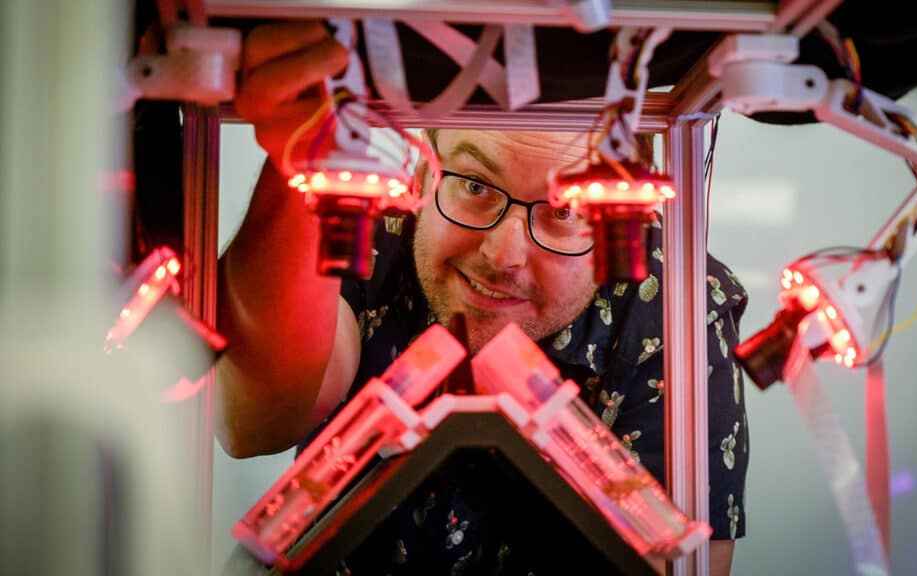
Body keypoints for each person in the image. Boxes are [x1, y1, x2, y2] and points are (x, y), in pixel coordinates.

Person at [217, 21, 749, 576]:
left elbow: (686, 568)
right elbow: (251, 422)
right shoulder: (369, 217)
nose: (503, 254)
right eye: (474, 184)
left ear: (625, 215)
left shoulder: (679, 303)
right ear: (426, 164)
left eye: (564, 211)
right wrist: (295, 155)